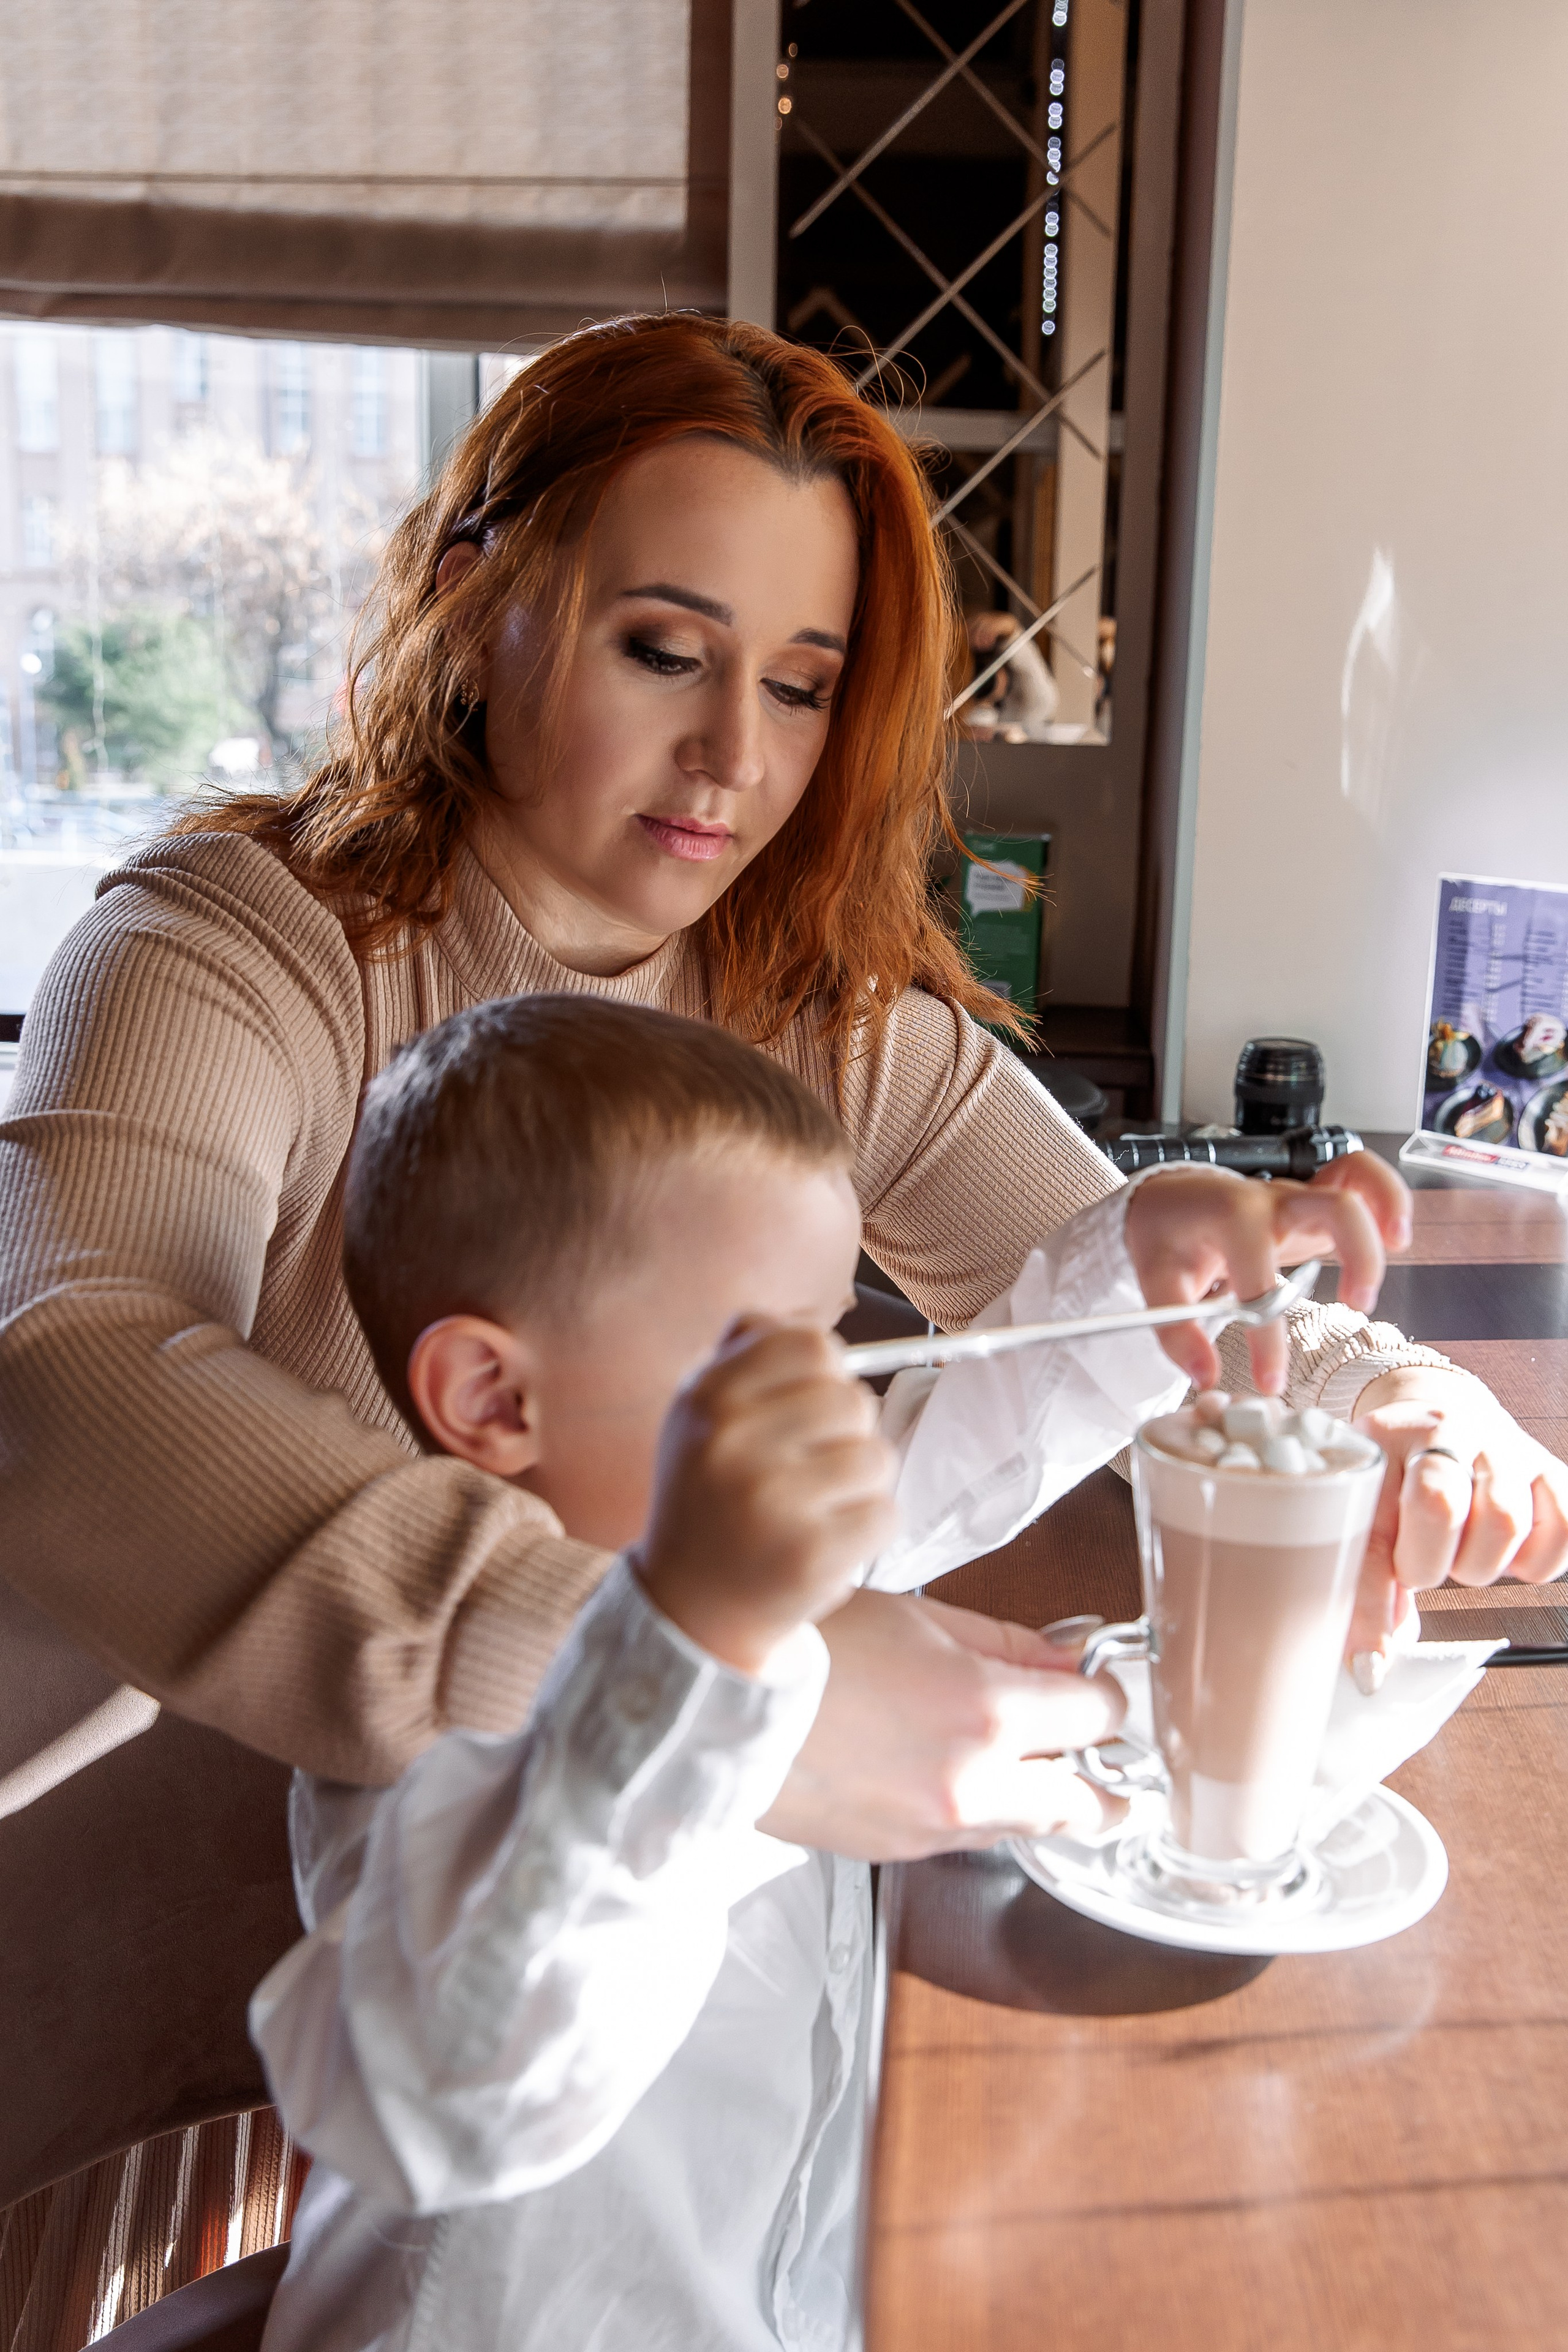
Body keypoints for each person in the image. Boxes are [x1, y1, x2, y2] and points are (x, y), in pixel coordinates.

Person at [2, 311, 1557, 1863]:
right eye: (665, 653)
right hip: (155, 1883)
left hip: (585, 1872)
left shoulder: (800, 1002)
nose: (732, 756)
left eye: (800, 686)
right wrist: (686, 1690)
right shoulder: (227, 944)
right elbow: (66, 1379)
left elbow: (1129, 1276)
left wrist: (1387, 1389)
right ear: (477, 605)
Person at [249, 992, 1397, 2351]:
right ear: (497, 1401)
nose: (836, 1392)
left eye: (831, 1335)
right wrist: (689, 1645)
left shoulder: (751, 1562)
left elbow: (941, 1457)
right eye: (762, 1357)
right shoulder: (436, 1691)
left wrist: (1136, 1271)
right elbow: (447, 2096)